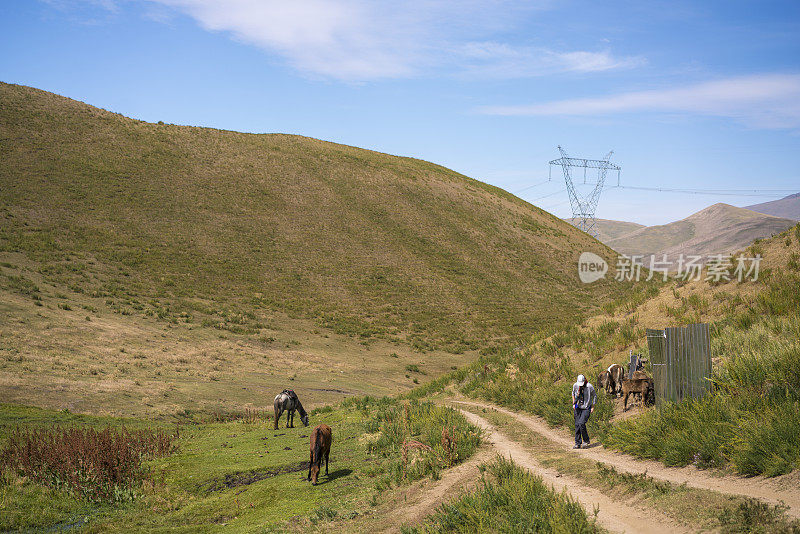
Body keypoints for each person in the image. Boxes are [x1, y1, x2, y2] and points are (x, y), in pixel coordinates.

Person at [571, 374, 596, 449]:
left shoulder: (589, 386)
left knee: (581, 423)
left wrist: (593, 406)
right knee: (577, 425)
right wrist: (574, 404)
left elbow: (594, 396)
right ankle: (577, 443)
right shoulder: (575, 385)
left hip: (586, 407)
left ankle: (586, 441)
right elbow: (573, 393)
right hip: (578, 407)